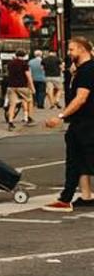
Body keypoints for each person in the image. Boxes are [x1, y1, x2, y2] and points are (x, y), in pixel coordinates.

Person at [43, 36, 94, 211]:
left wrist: (60, 116)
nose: (69, 53)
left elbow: (81, 98)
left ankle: (65, 199)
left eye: (72, 49)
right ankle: (86, 197)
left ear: (82, 49)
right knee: (81, 161)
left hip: (86, 123)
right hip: (82, 122)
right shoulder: (81, 70)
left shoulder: (87, 70)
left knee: (77, 161)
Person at [3, 48, 33, 129]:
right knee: (29, 100)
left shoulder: (10, 63)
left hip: (11, 86)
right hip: (22, 86)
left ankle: (10, 121)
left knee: (12, 105)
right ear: (24, 55)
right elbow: (28, 76)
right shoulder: (24, 64)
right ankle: (29, 117)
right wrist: (32, 87)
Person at [31, 47, 49, 113]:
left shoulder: (31, 62)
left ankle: (34, 102)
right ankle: (40, 104)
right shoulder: (44, 61)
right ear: (41, 55)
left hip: (33, 79)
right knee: (41, 92)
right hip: (42, 79)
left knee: (34, 91)